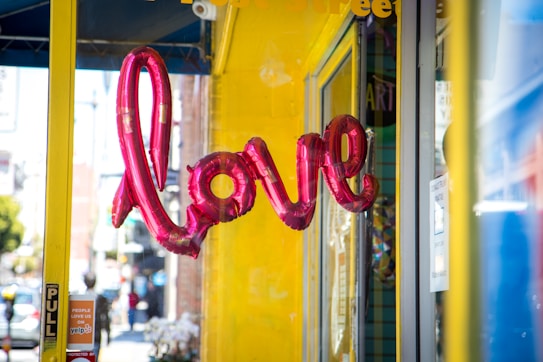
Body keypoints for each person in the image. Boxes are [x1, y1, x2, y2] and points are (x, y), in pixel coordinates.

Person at [83, 272, 111, 360]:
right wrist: (108, 333)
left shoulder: (79, 298)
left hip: (82, 334)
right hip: (96, 334)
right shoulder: (101, 299)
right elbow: (105, 318)